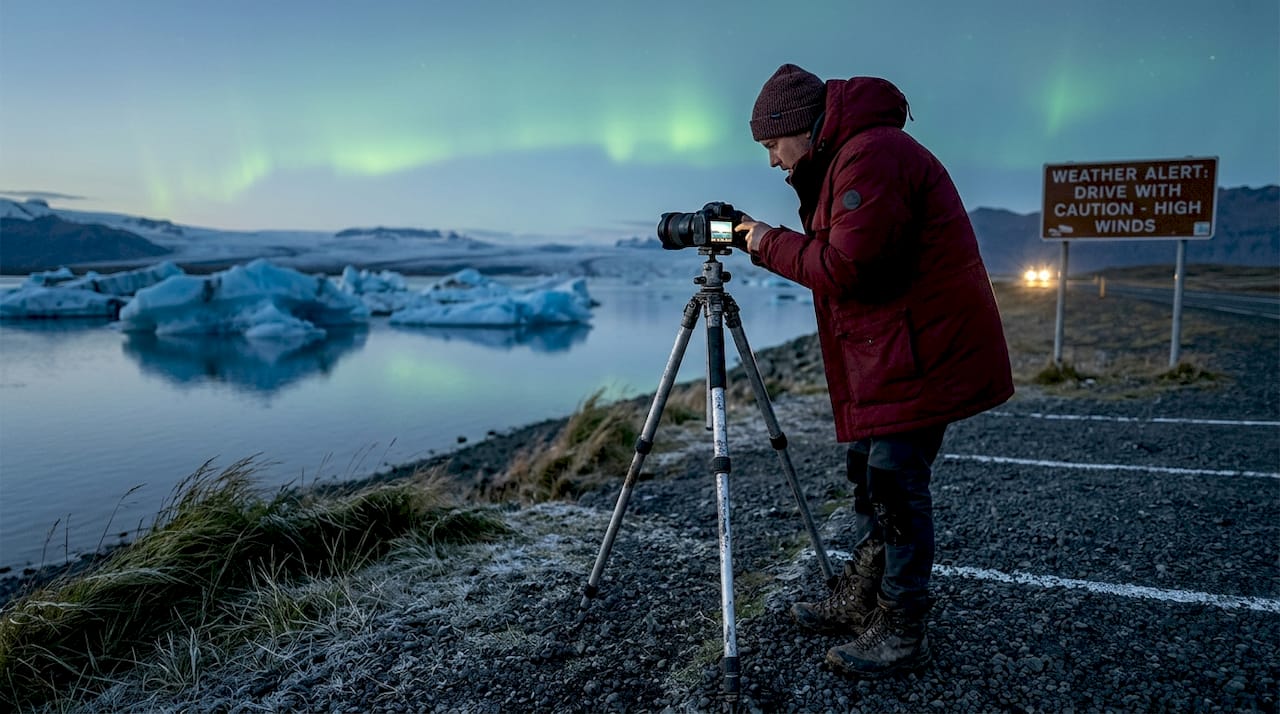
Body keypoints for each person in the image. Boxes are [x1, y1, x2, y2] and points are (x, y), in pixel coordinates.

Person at [737, 63, 1014, 678]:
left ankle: (901, 627)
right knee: (869, 473)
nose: (774, 162)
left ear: (797, 128)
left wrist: (760, 238)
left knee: (895, 486)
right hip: (896, 347)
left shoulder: (872, 155)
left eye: (771, 145)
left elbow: (849, 268)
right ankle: (864, 596)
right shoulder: (850, 156)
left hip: (922, 351)